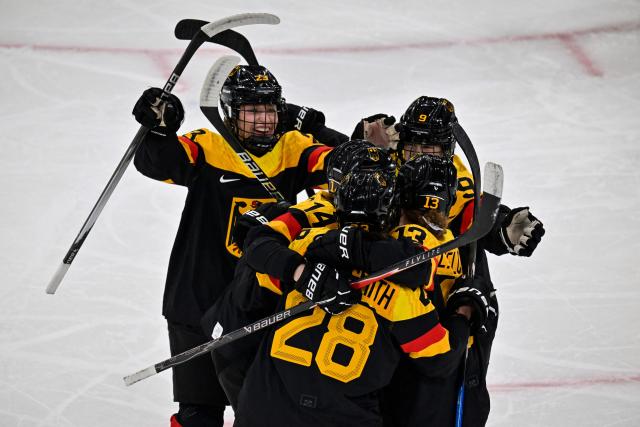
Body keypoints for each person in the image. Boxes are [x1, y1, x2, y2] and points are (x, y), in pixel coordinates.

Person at [131, 64, 337, 427]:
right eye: (252, 111)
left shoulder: (295, 148)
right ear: (230, 113)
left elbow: (343, 169)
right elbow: (158, 162)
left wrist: (317, 128)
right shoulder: (208, 146)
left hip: (263, 304)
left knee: (263, 412)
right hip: (198, 298)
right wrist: (159, 130)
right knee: (199, 413)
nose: (263, 121)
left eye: (270, 110)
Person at [233, 163, 475, 426]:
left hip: (263, 407)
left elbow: (257, 259)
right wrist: (464, 310)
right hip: (343, 417)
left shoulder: (306, 245)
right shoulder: (404, 295)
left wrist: (302, 272)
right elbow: (439, 359)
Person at [355, 96, 545, 426]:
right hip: (406, 302)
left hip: (459, 297)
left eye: (433, 150)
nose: (423, 157)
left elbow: (475, 215)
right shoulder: (388, 169)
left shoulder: (456, 177)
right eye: (415, 146)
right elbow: (350, 184)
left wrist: (503, 229)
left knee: (456, 394)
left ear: (448, 149)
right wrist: (361, 138)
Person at [200, 143, 433, 409]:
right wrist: (303, 273)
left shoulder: (374, 210)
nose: (375, 188)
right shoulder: (317, 210)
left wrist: (354, 247)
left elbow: (415, 266)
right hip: (241, 334)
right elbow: (257, 245)